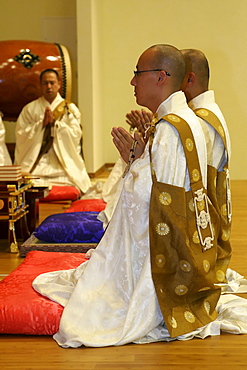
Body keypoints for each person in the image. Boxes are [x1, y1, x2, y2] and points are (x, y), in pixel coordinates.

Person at [32, 45, 247, 348]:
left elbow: (147, 202)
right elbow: (167, 191)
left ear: (160, 77)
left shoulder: (172, 129)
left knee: (90, 308)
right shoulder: (183, 120)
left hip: (166, 263)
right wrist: (140, 156)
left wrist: (133, 164)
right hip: (188, 249)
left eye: (137, 73)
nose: (132, 82)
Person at [14, 69, 91, 194]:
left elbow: (76, 134)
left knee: (72, 182)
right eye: (45, 83)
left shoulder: (69, 109)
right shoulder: (30, 109)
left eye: (52, 82)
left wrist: (56, 125)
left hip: (62, 164)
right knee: (28, 182)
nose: (49, 86)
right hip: (37, 163)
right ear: (40, 85)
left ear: (59, 84)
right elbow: (21, 134)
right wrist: (41, 125)